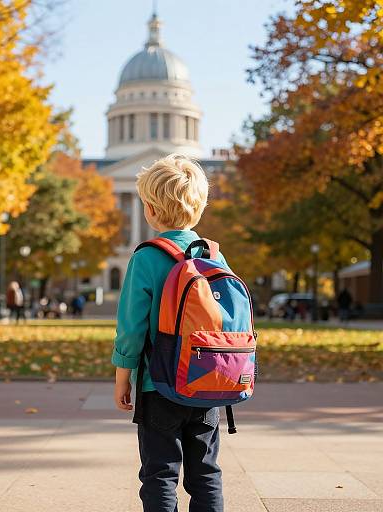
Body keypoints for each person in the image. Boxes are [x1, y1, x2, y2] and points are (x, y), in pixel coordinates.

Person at [112, 154, 226, 512]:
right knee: (206, 473)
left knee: (160, 474)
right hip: (208, 381)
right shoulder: (214, 256)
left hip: (158, 385)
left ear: (148, 208)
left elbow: (131, 328)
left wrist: (122, 376)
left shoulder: (146, 257)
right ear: (201, 206)